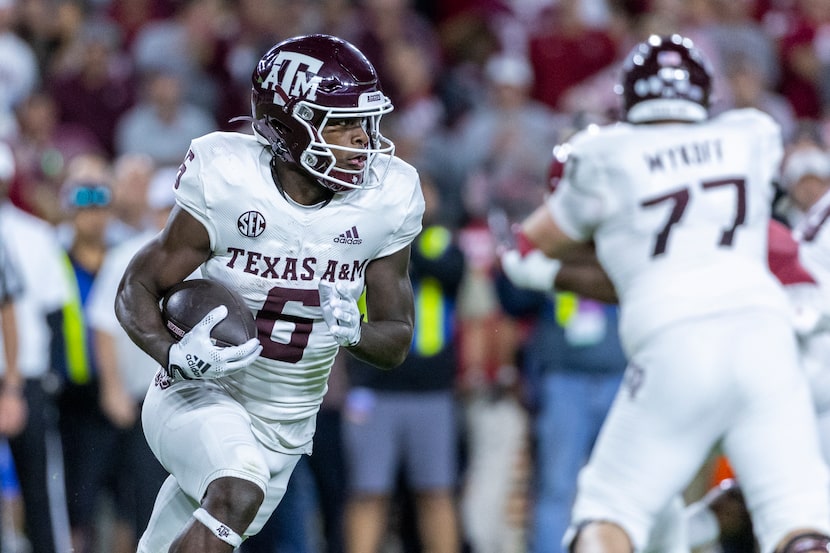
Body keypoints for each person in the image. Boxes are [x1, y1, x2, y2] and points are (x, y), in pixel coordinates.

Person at [502, 34, 830, 553]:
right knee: (798, 523)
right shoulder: (751, 133)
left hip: (695, 340)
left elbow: (527, 249)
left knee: (609, 513)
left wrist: (545, 270)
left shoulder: (607, 153)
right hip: (772, 338)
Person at [114, 33, 424, 553]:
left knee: (187, 532)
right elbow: (136, 286)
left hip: (286, 428)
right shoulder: (231, 180)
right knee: (237, 488)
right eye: (341, 123)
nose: (362, 141)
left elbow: (396, 341)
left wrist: (355, 331)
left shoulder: (386, 199)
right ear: (287, 127)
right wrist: (173, 353)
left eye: (365, 123)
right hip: (199, 394)